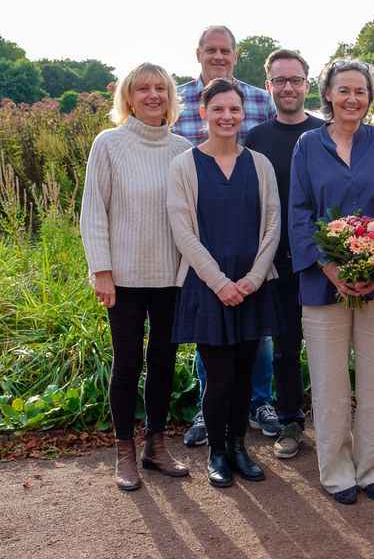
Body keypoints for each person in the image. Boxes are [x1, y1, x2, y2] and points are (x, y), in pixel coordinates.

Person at [289, 58, 374, 505]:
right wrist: (331, 268)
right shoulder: (307, 145)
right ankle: (337, 471)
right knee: (328, 383)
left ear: (370, 97)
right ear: (327, 94)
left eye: (360, 91)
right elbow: (300, 214)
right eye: (343, 90)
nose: (352, 99)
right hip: (323, 285)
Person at [80, 63, 192, 491]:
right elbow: (93, 213)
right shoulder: (108, 144)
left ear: (170, 96)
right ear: (127, 97)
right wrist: (101, 272)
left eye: (160, 88)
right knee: (127, 364)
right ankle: (124, 449)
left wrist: (187, 273)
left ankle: (155, 445)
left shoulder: (183, 148)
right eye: (142, 88)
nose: (153, 95)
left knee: (164, 361)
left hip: (170, 278)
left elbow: (189, 219)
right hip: (123, 278)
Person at [167, 78, 280, 488]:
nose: (227, 116)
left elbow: (272, 226)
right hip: (208, 287)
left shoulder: (260, 164)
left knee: (245, 374)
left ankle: (238, 447)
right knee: (219, 377)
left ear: (242, 114)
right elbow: (184, 233)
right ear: (204, 113)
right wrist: (219, 283)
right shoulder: (184, 166)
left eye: (234, 109)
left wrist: (250, 280)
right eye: (218, 109)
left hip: (252, 287)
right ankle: (216, 452)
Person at [244, 49, 326, 459]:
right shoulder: (257, 137)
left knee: (329, 346)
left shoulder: (325, 133)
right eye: (279, 81)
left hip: (325, 262)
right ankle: (291, 421)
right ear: (269, 87)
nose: (288, 87)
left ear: (307, 85)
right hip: (276, 263)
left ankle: (334, 424)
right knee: (285, 347)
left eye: (295, 80)